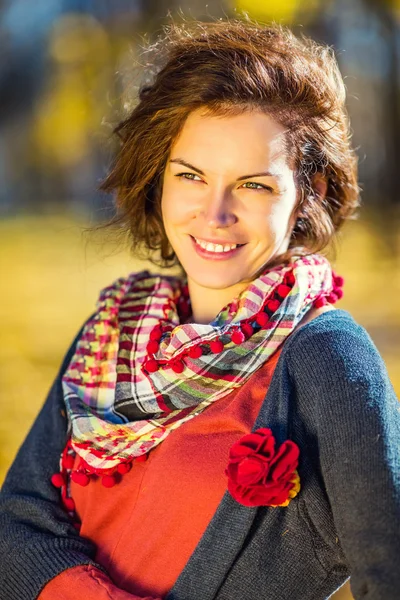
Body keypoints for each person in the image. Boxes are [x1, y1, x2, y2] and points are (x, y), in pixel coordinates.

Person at [0, 17, 399, 600]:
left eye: (255, 185)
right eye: (191, 175)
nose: (215, 214)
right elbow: (19, 524)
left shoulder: (326, 356)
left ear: (305, 196)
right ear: (158, 177)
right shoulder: (113, 330)